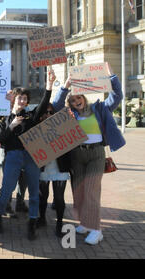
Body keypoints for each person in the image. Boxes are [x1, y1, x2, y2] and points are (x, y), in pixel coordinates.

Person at [53, 65, 125, 245]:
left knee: (92, 191)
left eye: (78, 97)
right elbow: (55, 106)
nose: (77, 101)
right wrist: (66, 86)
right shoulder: (70, 114)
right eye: (73, 99)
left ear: (83, 97)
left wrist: (111, 77)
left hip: (96, 154)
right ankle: (85, 223)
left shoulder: (100, 109)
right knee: (79, 192)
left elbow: (117, 96)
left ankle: (96, 230)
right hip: (77, 155)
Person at [0, 70, 56, 240]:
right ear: (13, 99)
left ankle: (32, 223)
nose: (22, 101)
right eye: (19, 97)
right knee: (7, 189)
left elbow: (43, 105)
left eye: (25, 99)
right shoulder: (5, 119)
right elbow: (0, 140)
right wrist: (12, 125)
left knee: (34, 192)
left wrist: (49, 86)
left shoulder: (30, 116)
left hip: (31, 156)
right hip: (12, 155)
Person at [36, 103, 72, 238]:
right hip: (43, 167)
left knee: (58, 198)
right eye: (45, 112)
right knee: (42, 196)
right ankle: (42, 218)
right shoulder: (36, 130)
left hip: (60, 167)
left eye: (51, 112)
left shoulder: (62, 128)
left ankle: (59, 223)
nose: (48, 115)